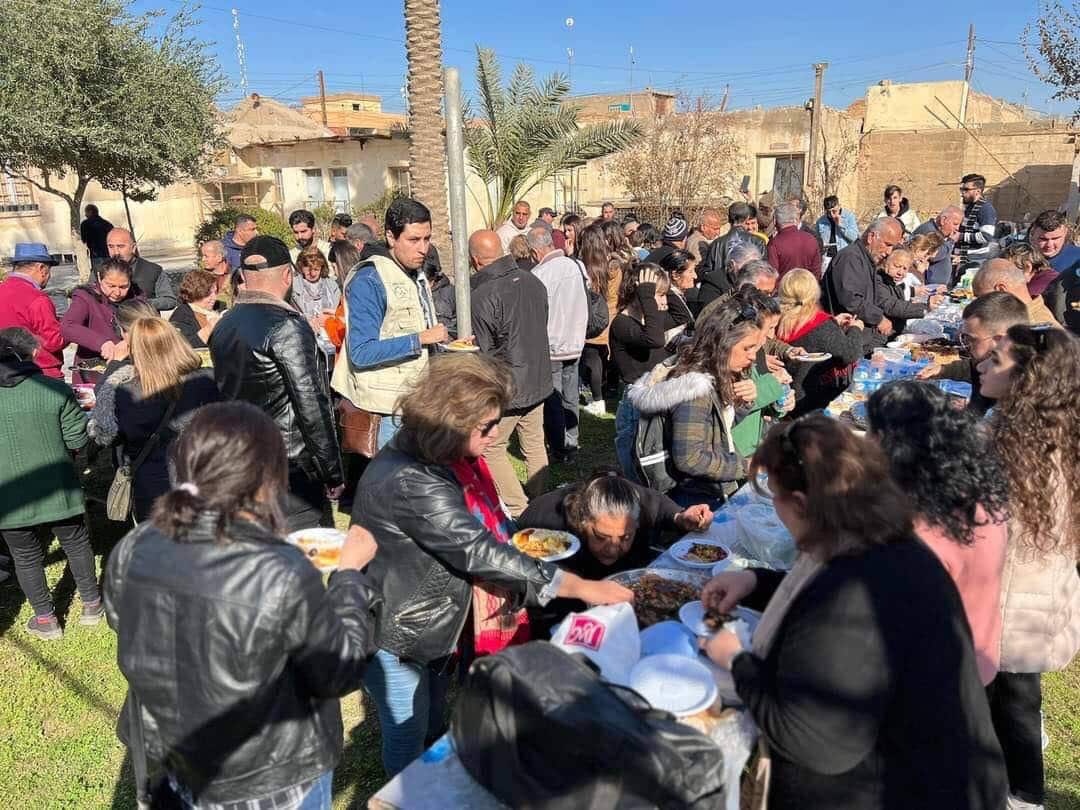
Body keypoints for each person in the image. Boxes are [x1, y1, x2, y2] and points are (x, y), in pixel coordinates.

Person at [699, 416, 1006, 809]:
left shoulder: (851, 593)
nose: (774, 507)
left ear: (801, 504)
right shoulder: (880, 541)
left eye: (774, 496)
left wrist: (736, 661)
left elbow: (813, 742)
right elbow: (814, 592)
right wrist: (754, 581)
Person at [352, 354, 632, 777]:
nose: (497, 434)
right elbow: (481, 552)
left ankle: (432, 769)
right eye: (486, 427)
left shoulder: (437, 455)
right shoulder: (414, 482)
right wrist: (584, 588)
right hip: (398, 633)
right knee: (407, 735)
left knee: (432, 720)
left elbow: (484, 529)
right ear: (451, 422)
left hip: (430, 623)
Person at [104, 401, 380, 808]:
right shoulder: (280, 571)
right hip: (272, 776)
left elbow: (122, 619)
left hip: (184, 757)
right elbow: (337, 671)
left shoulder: (134, 545)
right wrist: (350, 577)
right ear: (267, 477)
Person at [976, 325, 1080, 810]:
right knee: (1013, 702)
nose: (981, 364)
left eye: (995, 360)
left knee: (1011, 706)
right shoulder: (1040, 429)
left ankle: (1023, 796)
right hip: (1031, 596)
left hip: (1013, 602)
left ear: (1026, 381)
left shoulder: (1021, 448)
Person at [868, 380, 1009, 685]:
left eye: (870, 433)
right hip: (978, 655)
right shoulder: (980, 495)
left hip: (935, 677)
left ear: (888, 443)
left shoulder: (920, 531)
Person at [212, 236, 343, 531]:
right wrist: (332, 471)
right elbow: (311, 403)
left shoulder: (225, 324)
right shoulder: (287, 326)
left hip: (243, 459)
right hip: (288, 468)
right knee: (297, 549)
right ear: (288, 275)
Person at [0, 327, 102, 641]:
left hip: (8, 495)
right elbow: (76, 440)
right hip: (59, 486)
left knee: (25, 556)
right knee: (76, 542)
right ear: (32, 354)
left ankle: (46, 620)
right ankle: (92, 605)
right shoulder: (54, 389)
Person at [330, 199, 448, 451]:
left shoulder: (415, 274)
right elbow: (361, 352)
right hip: (386, 415)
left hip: (416, 403)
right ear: (391, 237)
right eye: (414, 240)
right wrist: (420, 339)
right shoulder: (370, 279)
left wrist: (445, 346)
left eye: (427, 239)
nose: (423, 248)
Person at [623, 301, 759, 509]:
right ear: (723, 343)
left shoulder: (715, 375)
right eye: (747, 348)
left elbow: (715, 429)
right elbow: (690, 458)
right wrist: (745, 466)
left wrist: (744, 402)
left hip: (703, 488)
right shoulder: (695, 390)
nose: (753, 356)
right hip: (694, 496)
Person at [89, 316, 221, 520]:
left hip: (152, 489)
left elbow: (105, 435)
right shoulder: (208, 379)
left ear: (136, 351)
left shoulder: (127, 393)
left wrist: (113, 374)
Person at [468, 230, 553, 517]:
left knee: (491, 447)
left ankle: (519, 507)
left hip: (506, 386)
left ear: (475, 260)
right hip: (537, 376)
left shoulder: (481, 295)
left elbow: (484, 351)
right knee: (534, 442)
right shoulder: (533, 281)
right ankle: (538, 501)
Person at [529, 225, 588, 463]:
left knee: (553, 398)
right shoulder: (576, 266)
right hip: (575, 341)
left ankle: (559, 448)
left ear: (535, 251)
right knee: (571, 394)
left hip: (551, 345)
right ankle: (571, 441)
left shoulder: (538, 274)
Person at [917, 291, 1029, 415]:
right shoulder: (995, 368)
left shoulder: (1021, 404)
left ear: (1000, 340)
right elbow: (973, 367)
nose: (966, 345)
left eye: (971, 339)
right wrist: (943, 370)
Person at [776, 269, 867, 415]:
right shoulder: (820, 324)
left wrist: (834, 323)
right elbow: (850, 354)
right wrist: (855, 329)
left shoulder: (775, 320)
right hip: (812, 398)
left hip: (784, 393)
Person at [823, 218, 903, 345]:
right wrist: (878, 318)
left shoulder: (866, 259)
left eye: (892, 246)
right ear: (871, 237)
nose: (889, 252)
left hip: (860, 336)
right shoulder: (850, 258)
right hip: (845, 338)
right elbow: (851, 300)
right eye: (887, 244)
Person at [61, 259, 140, 384]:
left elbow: (151, 327)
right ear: (99, 277)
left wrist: (129, 341)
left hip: (131, 367)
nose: (117, 292)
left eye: (123, 287)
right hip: (93, 370)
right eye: (111, 286)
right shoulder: (86, 296)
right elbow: (68, 326)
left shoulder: (137, 296)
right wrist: (101, 343)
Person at [575, 222, 622, 415]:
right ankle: (605, 391)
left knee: (592, 358)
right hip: (612, 316)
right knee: (603, 359)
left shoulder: (588, 269)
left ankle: (597, 399)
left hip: (595, 318)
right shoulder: (613, 265)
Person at [0, 243, 64, 377]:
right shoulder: (37, 299)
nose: (49, 276)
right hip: (40, 373)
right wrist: (71, 327)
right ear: (41, 268)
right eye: (49, 270)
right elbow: (54, 342)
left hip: (5, 372)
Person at [609, 265, 671, 387]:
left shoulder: (650, 318)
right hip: (638, 393)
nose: (665, 301)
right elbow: (655, 340)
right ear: (641, 293)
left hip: (657, 390)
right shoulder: (621, 323)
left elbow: (684, 319)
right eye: (660, 295)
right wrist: (647, 297)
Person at [698, 203, 766, 303]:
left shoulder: (717, 244)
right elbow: (763, 271)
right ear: (747, 218)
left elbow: (708, 272)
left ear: (729, 218)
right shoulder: (758, 242)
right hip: (748, 296)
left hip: (721, 297)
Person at [875, 247, 942, 336]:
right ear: (886, 264)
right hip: (881, 334)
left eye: (904, 269)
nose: (900, 272)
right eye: (897, 266)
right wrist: (925, 307)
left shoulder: (895, 282)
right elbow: (892, 306)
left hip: (895, 331)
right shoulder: (879, 281)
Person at [106, 228, 176, 312]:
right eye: (111, 246)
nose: (116, 252)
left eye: (120, 246)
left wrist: (144, 303)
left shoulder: (153, 270)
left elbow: (170, 300)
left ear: (133, 247)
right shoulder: (100, 271)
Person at [972, 258, 1060, 326]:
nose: (978, 305)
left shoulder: (1031, 329)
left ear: (1001, 290)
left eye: (981, 298)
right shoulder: (1021, 316)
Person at [168, 269, 223, 349]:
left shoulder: (220, 307)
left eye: (215, 292)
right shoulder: (181, 316)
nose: (214, 297)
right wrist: (209, 328)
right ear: (196, 293)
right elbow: (184, 346)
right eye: (208, 294)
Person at [911, 205, 964, 286]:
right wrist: (951, 241)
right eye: (955, 224)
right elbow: (935, 255)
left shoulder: (939, 232)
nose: (957, 228)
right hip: (928, 286)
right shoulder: (929, 231)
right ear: (943, 220)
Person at [767, 201, 822, 279]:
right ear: (795, 219)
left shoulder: (774, 244)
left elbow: (772, 275)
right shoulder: (811, 239)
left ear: (775, 221)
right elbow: (816, 272)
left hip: (784, 286)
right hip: (808, 285)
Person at [955, 173, 998, 268]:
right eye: (961, 189)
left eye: (966, 189)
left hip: (974, 262)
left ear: (977, 191)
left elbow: (986, 236)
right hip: (963, 259)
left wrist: (960, 236)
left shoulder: (985, 209)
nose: (962, 193)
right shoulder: (970, 207)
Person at [291, 246, 342, 325]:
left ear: (322, 267)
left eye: (316, 269)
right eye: (308, 270)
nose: (313, 274)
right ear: (301, 267)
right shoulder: (292, 287)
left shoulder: (333, 285)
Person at [659, 248, 697, 340]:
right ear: (675, 275)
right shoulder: (670, 297)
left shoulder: (678, 295)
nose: (695, 276)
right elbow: (688, 323)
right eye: (690, 271)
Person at [815, 195, 860, 262]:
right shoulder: (821, 221)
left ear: (839, 206)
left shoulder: (849, 217)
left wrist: (841, 225)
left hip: (844, 257)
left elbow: (854, 238)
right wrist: (821, 245)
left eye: (834, 211)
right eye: (828, 212)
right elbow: (817, 240)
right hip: (827, 258)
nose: (832, 215)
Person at [198, 239, 234, 308]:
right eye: (202, 256)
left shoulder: (235, 274)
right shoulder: (201, 276)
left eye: (206, 256)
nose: (203, 259)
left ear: (219, 257)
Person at [79, 204, 113, 273]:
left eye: (86, 212)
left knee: (99, 275)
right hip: (108, 253)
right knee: (110, 273)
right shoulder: (107, 224)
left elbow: (84, 239)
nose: (85, 215)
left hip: (95, 254)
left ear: (90, 212)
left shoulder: (85, 224)